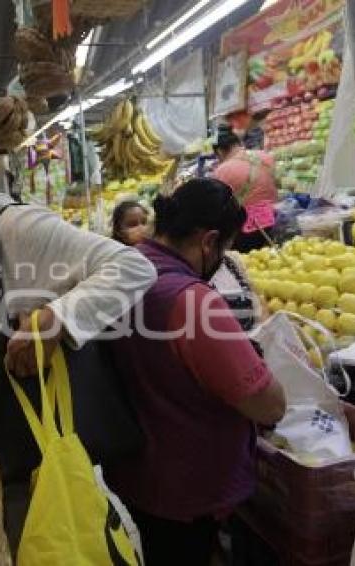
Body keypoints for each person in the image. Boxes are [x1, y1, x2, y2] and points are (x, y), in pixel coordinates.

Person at [0, 113, 157, 551]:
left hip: (34, 442)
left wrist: (58, 318)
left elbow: (133, 267)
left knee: (43, 541)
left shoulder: (17, 226)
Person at [105, 178, 286, 566]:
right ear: (209, 241)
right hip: (184, 488)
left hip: (133, 475)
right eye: (226, 248)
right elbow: (267, 405)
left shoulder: (120, 270)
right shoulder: (192, 301)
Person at [212, 124, 279, 253]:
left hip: (246, 232)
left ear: (219, 151)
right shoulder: (266, 157)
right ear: (238, 142)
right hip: (275, 218)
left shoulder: (222, 171)